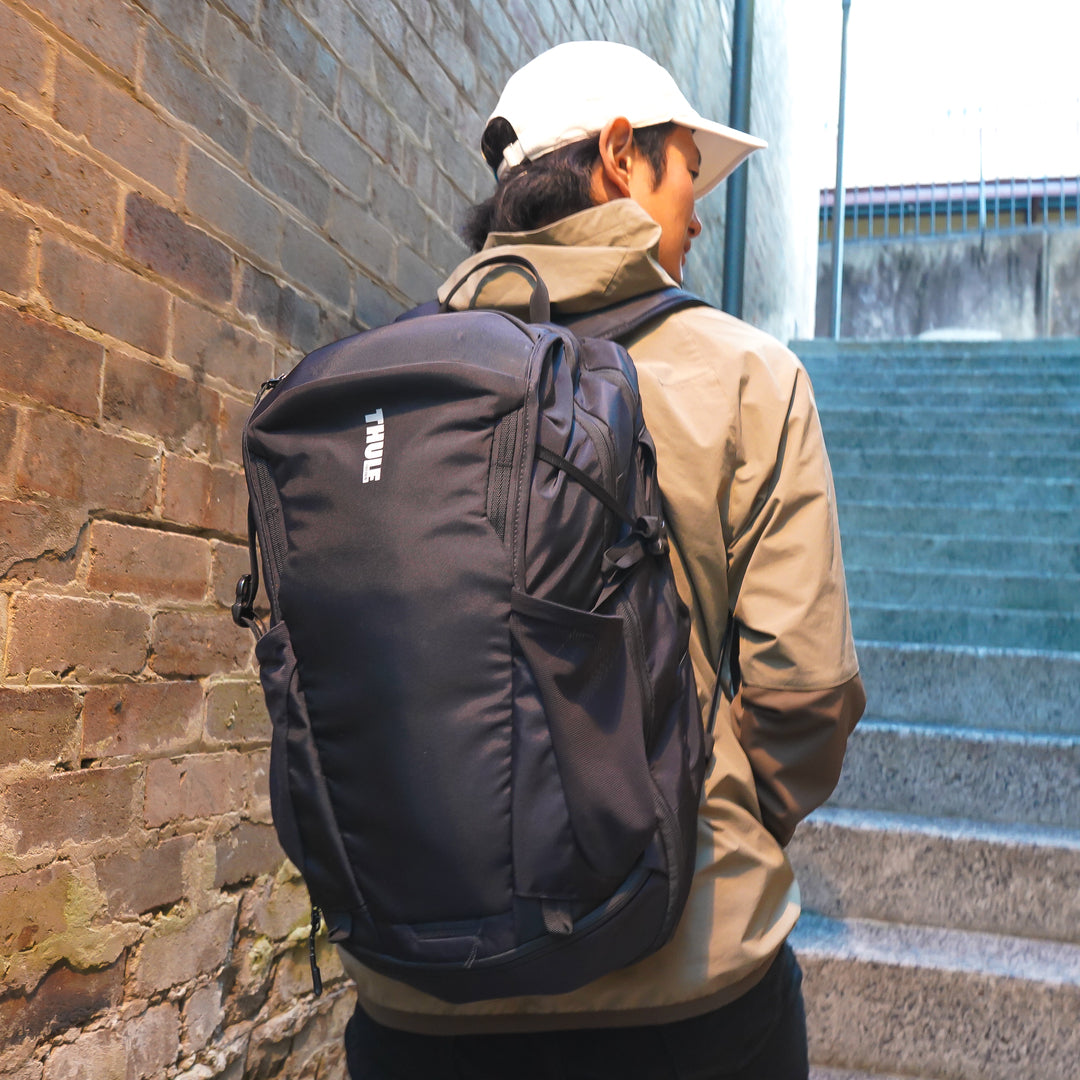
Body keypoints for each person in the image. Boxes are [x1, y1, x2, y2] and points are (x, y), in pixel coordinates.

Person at [339, 40, 866, 1080]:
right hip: (685, 990)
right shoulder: (746, 374)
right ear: (622, 155)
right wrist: (716, 819)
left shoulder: (377, 383)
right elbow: (804, 693)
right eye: (688, 175)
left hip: (414, 994)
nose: (700, 217)